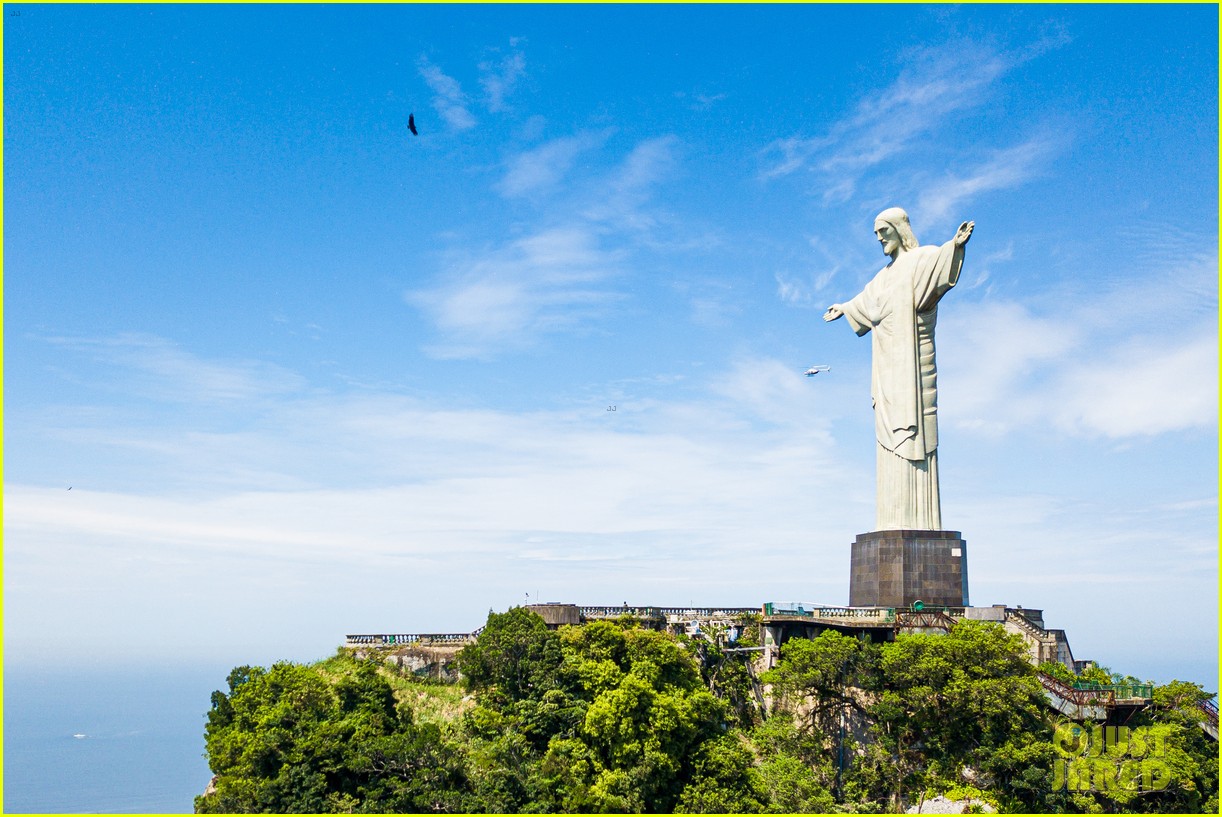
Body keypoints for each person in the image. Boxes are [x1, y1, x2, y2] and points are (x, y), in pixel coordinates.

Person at [824, 208, 974, 530]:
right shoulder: (882, 278)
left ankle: (922, 522)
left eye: (882, 231)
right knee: (888, 443)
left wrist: (956, 247)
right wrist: (844, 307)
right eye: (876, 233)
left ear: (898, 229)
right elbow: (865, 304)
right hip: (887, 375)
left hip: (912, 374)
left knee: (915, 435)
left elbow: (939, 272)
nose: (878, 238)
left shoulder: (920, 261)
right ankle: (891, 521)